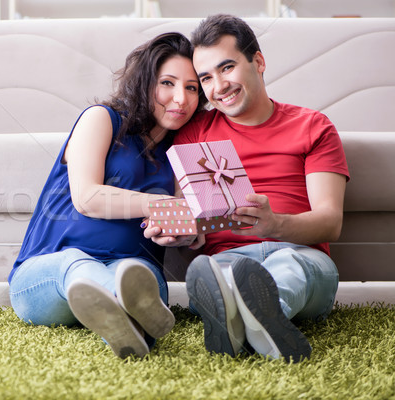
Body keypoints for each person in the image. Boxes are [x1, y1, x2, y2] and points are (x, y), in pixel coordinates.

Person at [145, 15, 349, 362]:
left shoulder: (313, 126)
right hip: (227, 258)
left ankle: (248, 315)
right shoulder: (196, 133)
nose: (218, 86)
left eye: (227, 68)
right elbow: (197, 219)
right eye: (206, 78)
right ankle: (255, 325)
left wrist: (275, 225)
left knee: (288, 266)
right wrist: (182, 233)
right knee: (219, 272)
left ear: (258, 61)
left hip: (303, 256)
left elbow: (330, 221)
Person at [8, 32, 204, 359]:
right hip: (48, 277)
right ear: (144, 83)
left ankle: (127, 322)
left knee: (139, 275)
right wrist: (166, 204)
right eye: (167, 83)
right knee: (76, 263)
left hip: (133, 271)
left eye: (192, 87)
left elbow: (183, 222)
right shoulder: (101, 119)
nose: (181, 98)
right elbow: (88, 197)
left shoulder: (183, 151)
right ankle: (122, 302)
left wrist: (184, 236)